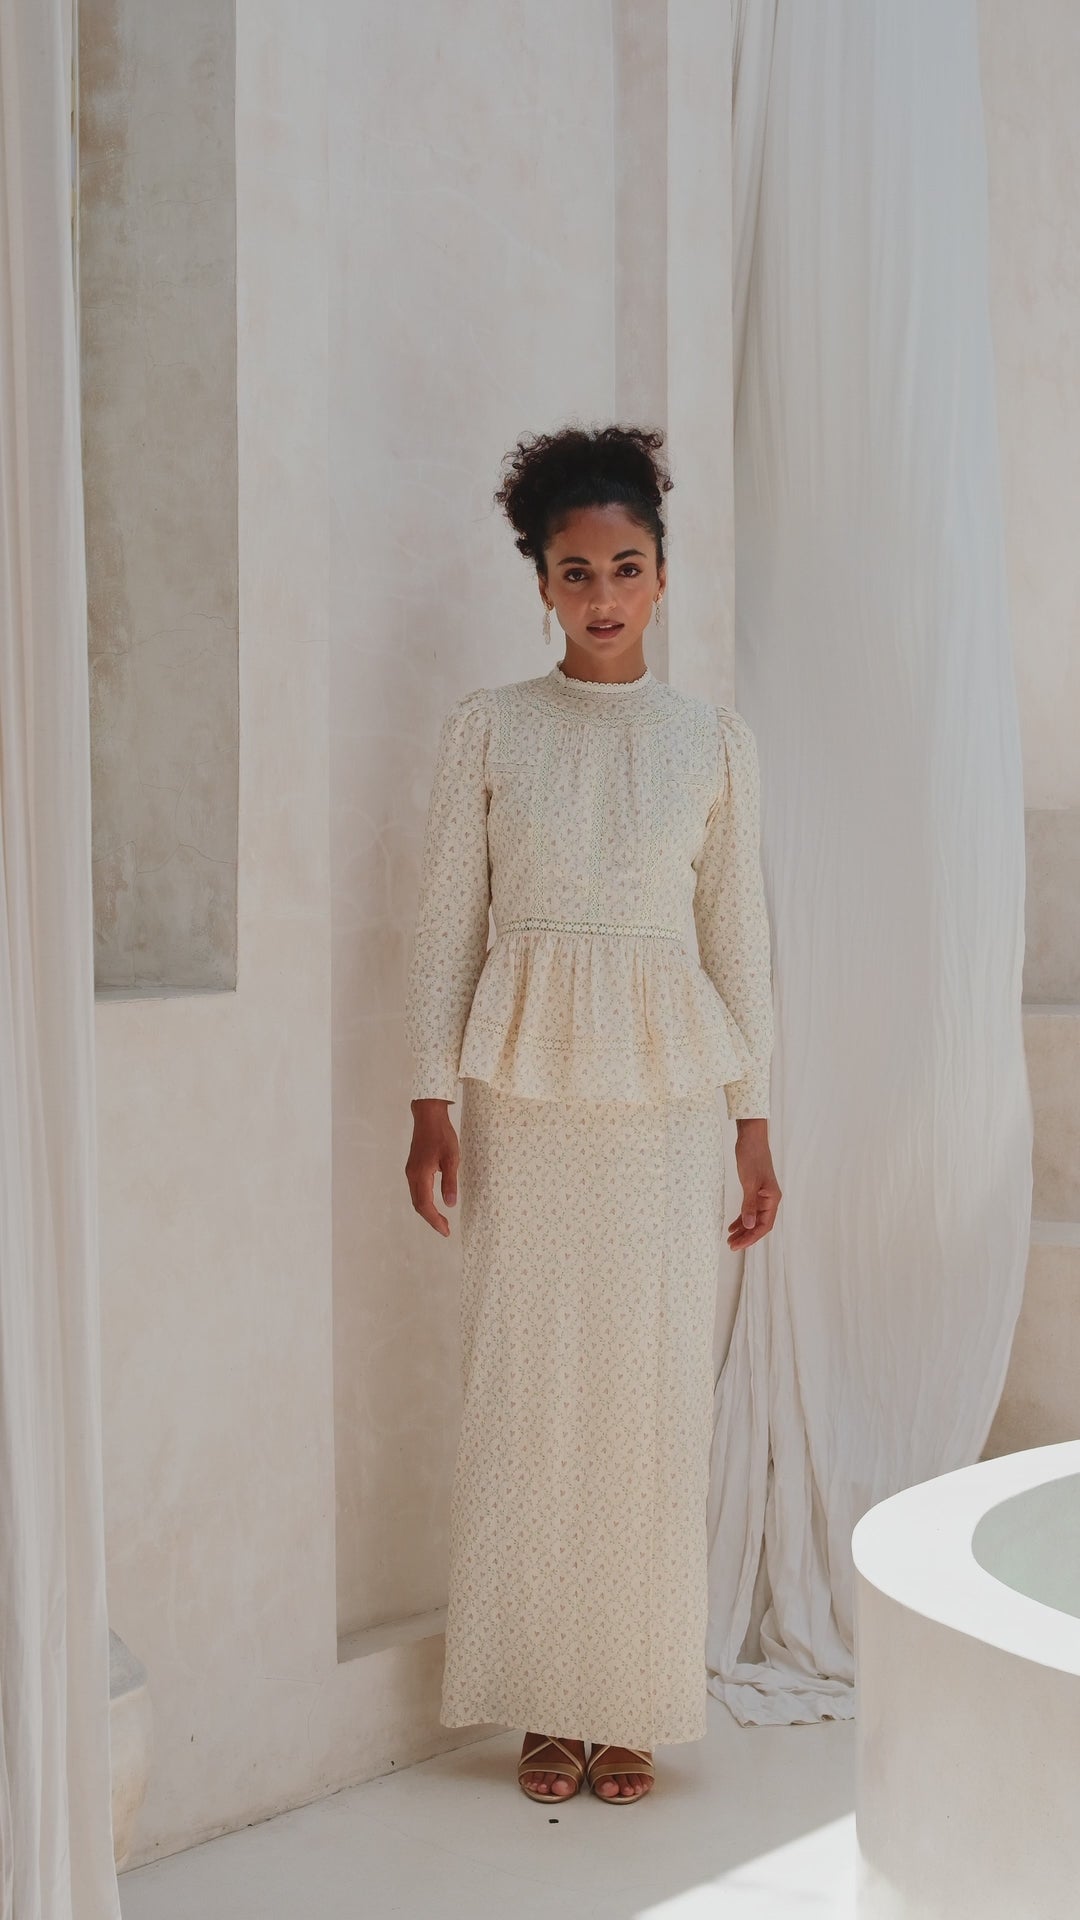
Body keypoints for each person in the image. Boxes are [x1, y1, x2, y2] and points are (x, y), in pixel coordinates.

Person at [404, 424, 780, 1805]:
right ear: (543, 585)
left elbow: (738, 938)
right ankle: (541, 1703)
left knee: (650, 1398)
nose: (603, 595)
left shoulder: (713, 742)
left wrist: (754, 1123)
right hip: (522, 1102)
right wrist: (429, 1104)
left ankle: (630, 1702)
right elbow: (444, 926)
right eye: (577, 572)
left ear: (663, 575)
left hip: (668, 1112)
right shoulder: (489, 728)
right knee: (529, 1393)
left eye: (626, 568)